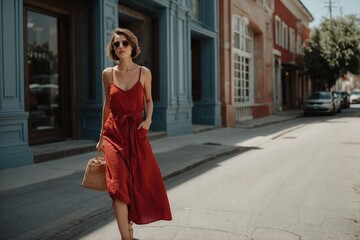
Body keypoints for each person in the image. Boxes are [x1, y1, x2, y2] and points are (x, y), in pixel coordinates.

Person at [96, 28, 172, 240]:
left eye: (124, 43)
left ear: (132, 46)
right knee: (118, 186)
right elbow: (107, 105)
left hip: (137, 133)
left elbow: (148, 100)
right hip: (114, 134)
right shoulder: (107, 74)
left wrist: (147, 120)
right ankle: (126, 237)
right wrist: (102, 135)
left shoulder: (144, 72)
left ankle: (129, 226)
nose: (120, 47)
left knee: (136, 183)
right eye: (116, 44)